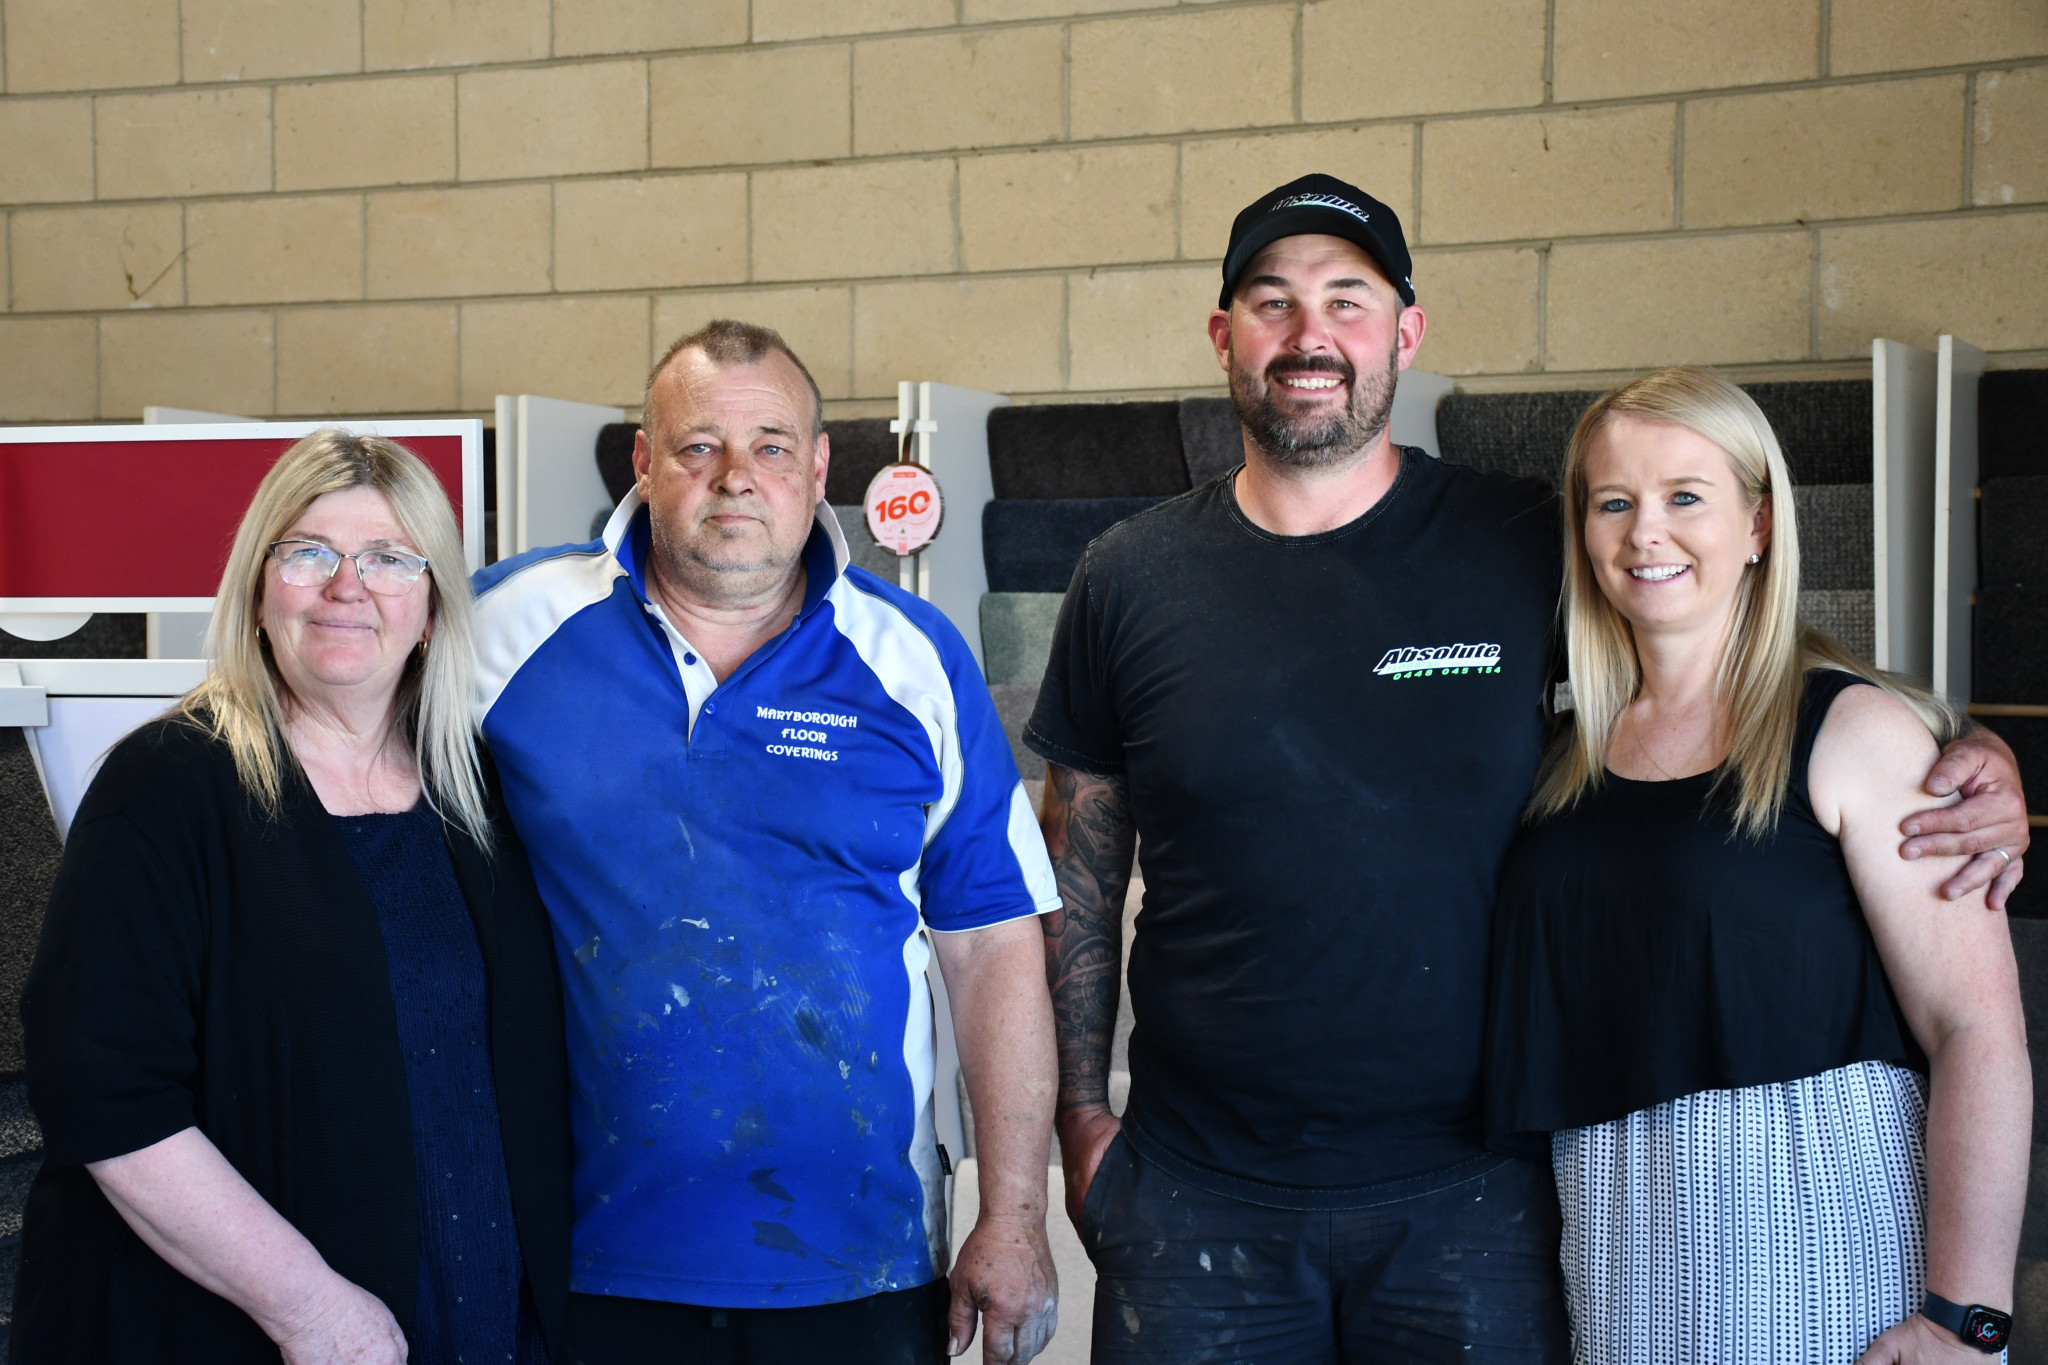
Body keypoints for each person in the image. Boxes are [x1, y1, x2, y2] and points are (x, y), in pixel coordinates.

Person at [1025, 174, 2033, 1361]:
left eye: (1347, 302)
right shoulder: (1129, 573)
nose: (1310, 337)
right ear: (1224, 334)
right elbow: (1076, 861)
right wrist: (1080, 1122)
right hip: (1199, 1192)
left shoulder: (1517, 541)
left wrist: (1964, 748)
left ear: (1404, 333)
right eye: (1272, 301)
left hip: (1479, 1191)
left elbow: (1711, 647)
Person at [471, 320, 1063, 1365]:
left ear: (821, 468)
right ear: (644, 463)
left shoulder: (909, 657)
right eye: (699, 446)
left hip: (861, 1260)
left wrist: (1012, 1216)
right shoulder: (503, 630)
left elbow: (992, 946)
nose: (735, 478)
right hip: (581, 1257)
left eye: (772, 447)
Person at [1485, 367, 2029, 1363]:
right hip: (1614, 1232)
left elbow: (1976, 1033)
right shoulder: (1554, 757)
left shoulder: (1852, 730)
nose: (1644, 532)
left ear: (1757, 526)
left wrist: (1967, 1317)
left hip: (1813, 1223)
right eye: (1613, 502)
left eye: (1683, 496)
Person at [14, 429, 572, 1363]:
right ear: (260, 588)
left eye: (391, 558)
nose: (347, 586)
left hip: (476, 1322)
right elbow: (103, 1093)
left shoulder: (476, 789)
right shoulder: (167, 787)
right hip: (259, 1333)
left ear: (432, 606)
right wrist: (311, 1310)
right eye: (310, 552)